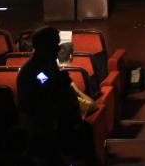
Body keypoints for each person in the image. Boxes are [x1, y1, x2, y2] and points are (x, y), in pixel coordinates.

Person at [18, 27, 93, 166]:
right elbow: (44, 93)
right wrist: (60, 84)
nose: (58, 49)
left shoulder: (49, 61)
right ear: (43, 46)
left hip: (51, 122)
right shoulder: (33, 69)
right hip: (38, 127)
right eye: (54, 45)